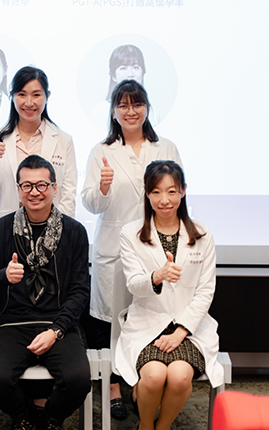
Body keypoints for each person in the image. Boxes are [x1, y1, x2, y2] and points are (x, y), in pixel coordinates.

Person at [80, 79, 182, 419]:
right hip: (113, 248)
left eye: (136, 104)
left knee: (148, 316)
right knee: (109, 321)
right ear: (113, 112)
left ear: (147, 108)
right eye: (123, 105)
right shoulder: (102, 150)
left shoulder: (166, 148)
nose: (130, 111)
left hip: (156, 249)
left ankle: (141, 383)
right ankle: (112, 386)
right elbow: (91, 203)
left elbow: (178, 198)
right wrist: (103, 188)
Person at [0, 155, 91, 430]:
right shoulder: (0, 230)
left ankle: (50, 418)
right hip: (12, 324)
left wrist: (56, 331)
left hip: (59, 325)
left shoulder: (75, 232)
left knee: (78, 380)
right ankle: (28, 417)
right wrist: (3, 276)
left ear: (54, 188)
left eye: (41, 185)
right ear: (18, 190)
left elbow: (79, 292)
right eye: (26, 186)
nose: (34, 192)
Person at [115, 160, 223, 430]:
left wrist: (181, 331)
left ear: (183, 191)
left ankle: (161, 427)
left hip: (189, 328)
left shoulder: (202, 235)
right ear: (147, 194)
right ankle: (145, 426)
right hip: (147, 324)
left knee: (179, 377)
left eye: (171, 191)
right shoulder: (131, 234)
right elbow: (134, 285)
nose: (164, 200)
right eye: (156, 192)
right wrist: (157, 276)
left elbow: (205, 291)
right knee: (153, 376)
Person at [0, 66, 77, 224]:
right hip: (7, 227)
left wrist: (61, 231)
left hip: (50, 228)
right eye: (22, 94)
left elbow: (68, 194)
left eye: (36, 95)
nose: (29, 102)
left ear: (47, 96)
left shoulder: (63, 140)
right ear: (12, 96)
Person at [89, 44, 160, 129]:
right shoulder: (100, 111)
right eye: (123, 68)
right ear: (113, 75)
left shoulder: (153, 113)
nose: (130, 74)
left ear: (143, 72)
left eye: (135, 67)